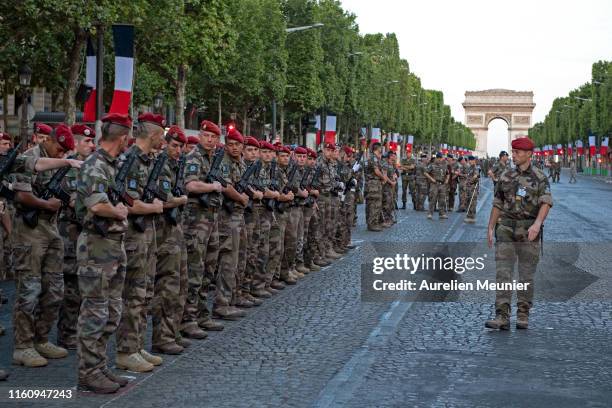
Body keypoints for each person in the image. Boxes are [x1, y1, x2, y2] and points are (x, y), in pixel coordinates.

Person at [10, 124, 82, 368]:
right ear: (49, 140)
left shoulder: (60, 163)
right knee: (29, 290)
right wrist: (45, 204)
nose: (61, 155)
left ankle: (41, 338)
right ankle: (23, 345)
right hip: (29, 230)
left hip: (52, 230)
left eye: (65, 153)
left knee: (54, 290)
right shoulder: (30, 157)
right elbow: (21, 195)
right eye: (59, 149)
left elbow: (68, 194)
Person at [75, 113, 131, 393]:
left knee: (112, 310)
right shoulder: (95, 164)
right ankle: (88, 372)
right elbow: (97, 205)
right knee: (95, 311)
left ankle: (99, 367)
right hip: (96, 246)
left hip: (112, 245)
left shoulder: (111, 165)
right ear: (122, 138)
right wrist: (118, 211)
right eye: (126, 139)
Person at [115, 113, 166, 373]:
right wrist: (154, 207)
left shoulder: (147, 160)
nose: (163, 139)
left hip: (147, 234)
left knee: (144, 293)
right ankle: (126, 350)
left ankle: (136, 345)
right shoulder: (130, 160)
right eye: (162, 135)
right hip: (134, 236)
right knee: (133, 294)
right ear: (154, 134)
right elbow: (128, 202)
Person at [485, 136, 553, 330]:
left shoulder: (540, 177)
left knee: (526, 275)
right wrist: (490, 227)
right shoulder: (506, 176)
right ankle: (502, 316)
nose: (513, 155)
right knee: (503, 273)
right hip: (505, 228)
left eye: (518, 152)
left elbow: (546, 202)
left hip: (528, 230)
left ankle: (523, 313)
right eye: (513, 152)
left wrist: (537, 224)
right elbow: (497, 202)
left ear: (529, 154)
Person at [151, 125, 190, 355]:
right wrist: (181, 199)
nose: (177, 150)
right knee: (166, 286)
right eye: (173, 145)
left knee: (180, 283)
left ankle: (173, 331)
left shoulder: (177, 166)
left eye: (179, 146)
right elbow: (164, 200)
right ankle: (162, 337)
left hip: (176, 232)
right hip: (163, 233)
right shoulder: (160, 165)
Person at [56, 124, 95, 350]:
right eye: (87, 142)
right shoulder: (69, 170)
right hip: (70, 234)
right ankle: (66, 333)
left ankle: (77, 330)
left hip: (85, 235)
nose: (91, 145)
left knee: (83, 286)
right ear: (77, 143)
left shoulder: (88, 169)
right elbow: (73, 201)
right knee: (71, 287)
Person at [364, 143, 388, 230]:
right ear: (378, 148)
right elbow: (376, 171)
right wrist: (383, 178)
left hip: (373, 184)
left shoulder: (374, 157)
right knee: (374, 204)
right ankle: (373, 224)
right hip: (373, 184)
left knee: (371, 204)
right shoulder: (373, 158)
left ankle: (371, 223)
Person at [425, 152, 449, 220]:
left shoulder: (444, 165)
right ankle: (430, 213)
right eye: (438, 158)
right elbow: (425, 172)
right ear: (436, 158)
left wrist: (447, 179)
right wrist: (431, 179)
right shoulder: (432, 165)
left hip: (442, 184)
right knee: (432, 199)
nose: (439, 159)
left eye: (440, 158)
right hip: (434, 184)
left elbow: (447, 173)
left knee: (442, 200)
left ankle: (442, 214)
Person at [464, 156, 480, 223]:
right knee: (468, 201)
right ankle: (468, 215)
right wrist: (466, 184)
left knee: (472, 202)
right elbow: (467, 176)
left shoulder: (475, 168)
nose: (469, 161)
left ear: (473, 160)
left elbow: (476, 176)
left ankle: (472, 216)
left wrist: (470, 181)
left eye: (470, 160)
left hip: (473, 188)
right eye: (469, 160)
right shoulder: (469, 168)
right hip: (468, 188)